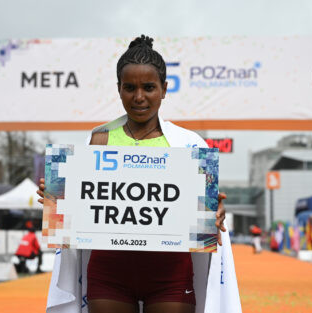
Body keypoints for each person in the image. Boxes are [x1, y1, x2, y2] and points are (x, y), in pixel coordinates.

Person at [37, 35, 236, 313]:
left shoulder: (188, 144)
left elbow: (204, 209)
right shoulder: (99, 139)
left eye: (149, 87)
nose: (139, 97)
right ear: (118, 89)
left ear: (164, 89)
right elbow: (81, 206)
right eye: (129, 87)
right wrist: (58, 197)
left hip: (170, 274)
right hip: (109, 272)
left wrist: (215, 209)